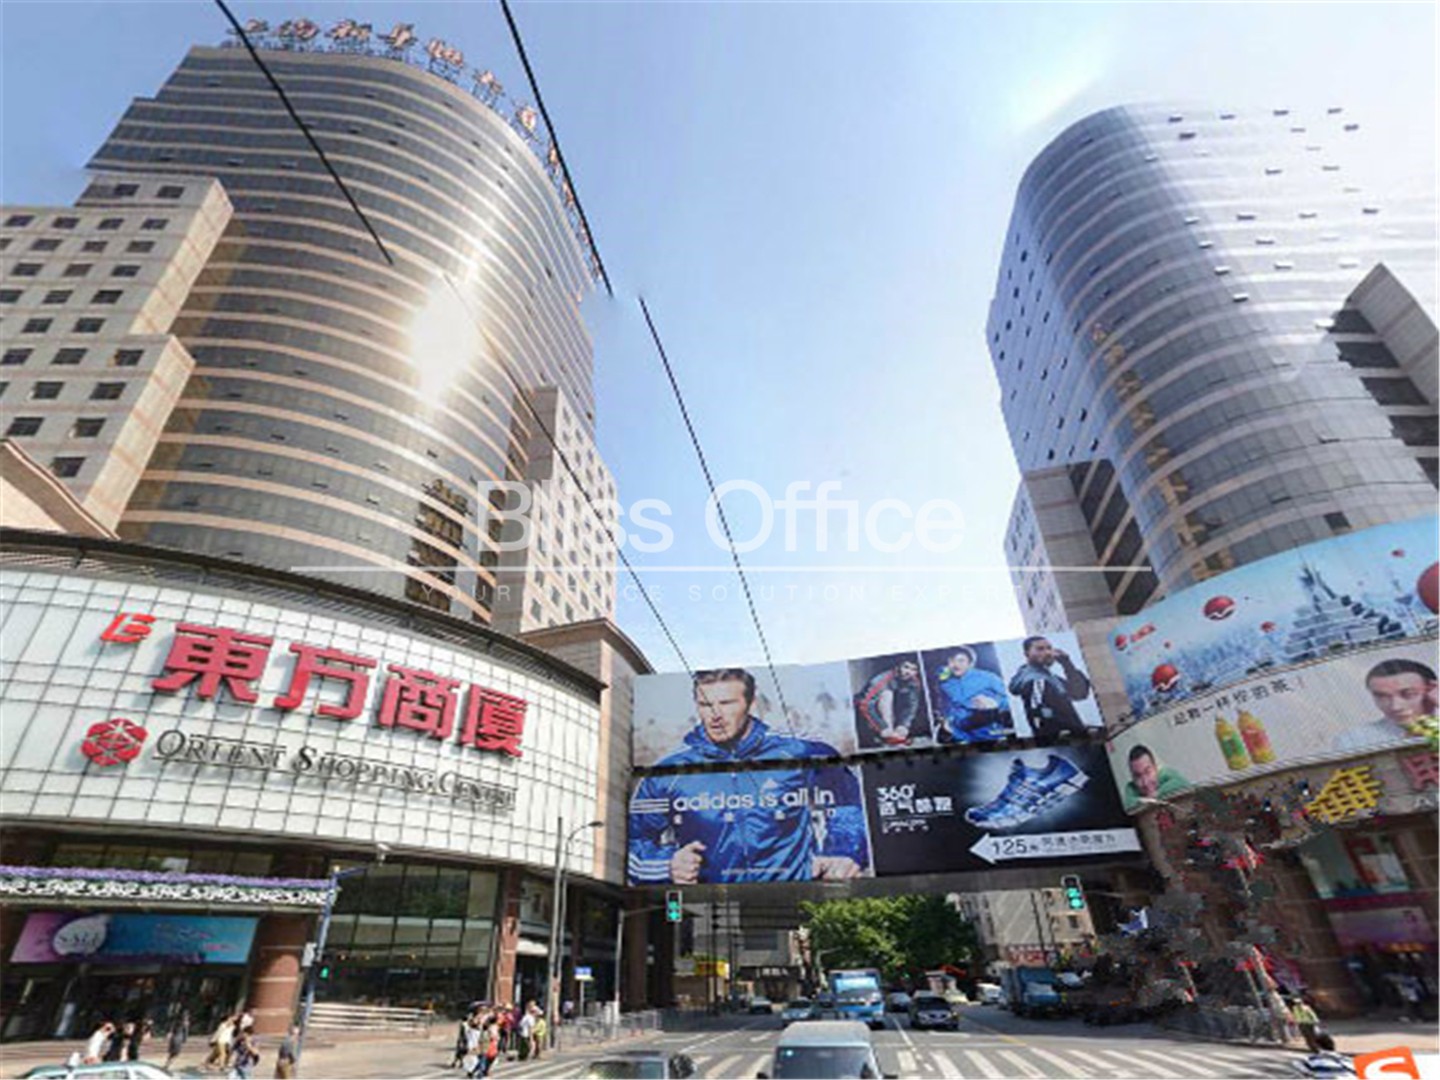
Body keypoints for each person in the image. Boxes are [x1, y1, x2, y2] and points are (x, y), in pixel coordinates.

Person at [628, 668, 870, 885]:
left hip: (797, 895)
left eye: (726, 703)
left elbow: (851, 806)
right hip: (711, 904)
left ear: (751, 703)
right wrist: (667, 865)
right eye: (705, 705)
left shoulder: (801, 751)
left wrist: (844, 852)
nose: (715, 715)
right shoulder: (667, 772)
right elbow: (631, 842)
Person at [1331, 659, 1438, 753]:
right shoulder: (1353, 741)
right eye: (1382, 697)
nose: (1395, 706)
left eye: (1408, 694)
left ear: (1432, 689)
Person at [1008, 636, 1093, 744]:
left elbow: (1080, 693)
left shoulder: (1049, 677)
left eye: (1049, 648)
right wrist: (1073, 733)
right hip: (1063, 743)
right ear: (1027, 654)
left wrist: (1067, 664)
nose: (1048, 653)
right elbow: (1040, 716)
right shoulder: (1036, 679)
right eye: (1040, 649)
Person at [932, 647, 1012, 743]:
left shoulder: (988, 677)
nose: (956, 665)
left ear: (970, 663)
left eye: (961, 660)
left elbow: (1012, 699)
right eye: (952, 660)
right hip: (959, 736)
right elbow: (944, 705)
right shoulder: (945, 683)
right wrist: (946, 722)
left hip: (988, 736)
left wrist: (995, 703)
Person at [854, 659, 926, 747]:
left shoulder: (914, 682)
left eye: (913, 669)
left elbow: (912, 705)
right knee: (887, 694)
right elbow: (864, 705)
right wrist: (882, 727)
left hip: (893, 713)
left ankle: (894, 735)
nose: (908, 672)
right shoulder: (881, 680)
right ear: (898, 667)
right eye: (906, 667)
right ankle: (888, 734)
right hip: (867, 716)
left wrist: (904, 724)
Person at [1121, 744, 1191, 810]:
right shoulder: (1131, 788)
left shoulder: (1165, 774)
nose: (1145, 782)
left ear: (1155, 768)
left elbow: (1185, 784)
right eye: (1138, 776)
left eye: (1148, 772)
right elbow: (1127, 805)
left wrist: (1157, 794)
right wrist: (1147, 800)